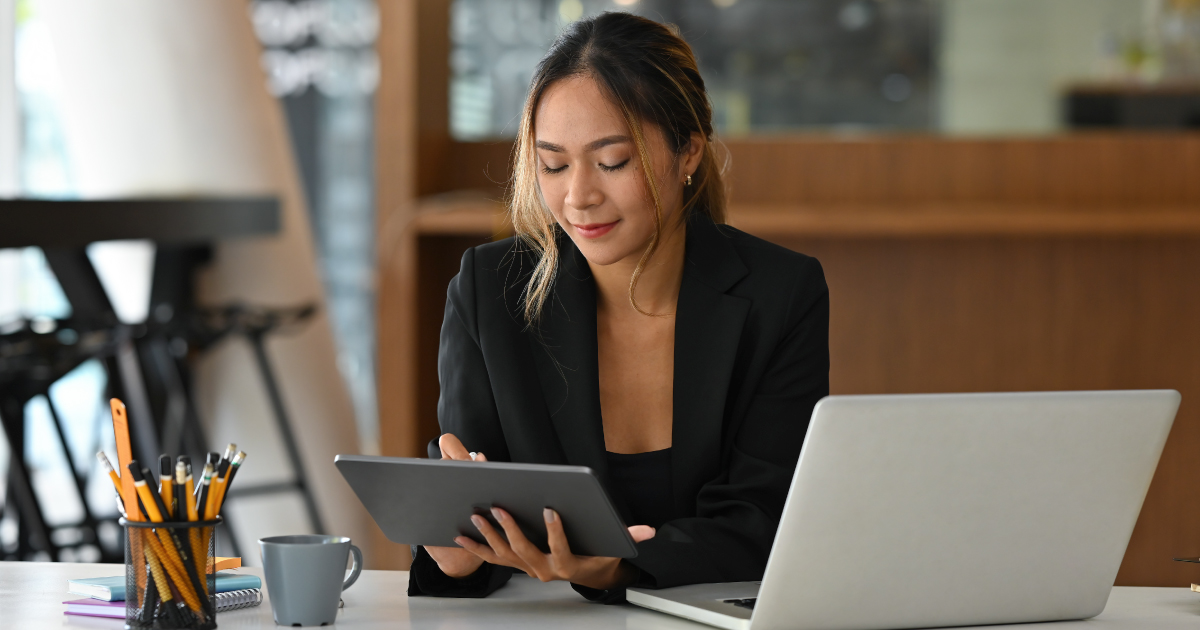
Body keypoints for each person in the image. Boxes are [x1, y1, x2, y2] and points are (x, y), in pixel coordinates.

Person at [408, 12, 829, 603]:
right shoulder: (489, 288)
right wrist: (453, 552)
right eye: (552, 164)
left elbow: (766, 520)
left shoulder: (781, 292)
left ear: (688, 152)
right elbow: (483, 527)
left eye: (612, 162)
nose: (578, 197)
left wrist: (619, 567)